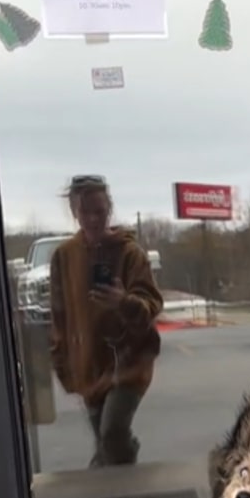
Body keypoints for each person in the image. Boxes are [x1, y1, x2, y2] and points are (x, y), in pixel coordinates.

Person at [49, 175, 163, 467]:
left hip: (130, 361)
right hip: (89, 364)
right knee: (104, 442)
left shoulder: (129, 253)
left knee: (112, 433)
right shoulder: (64, 257)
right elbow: (59, 315)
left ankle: (123, 490)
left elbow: (153, 303)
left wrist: (123, 302)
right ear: (75, 212)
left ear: (109, 209)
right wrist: (62, 363)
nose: (93, 219)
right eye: (85, 211)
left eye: (99, 211)